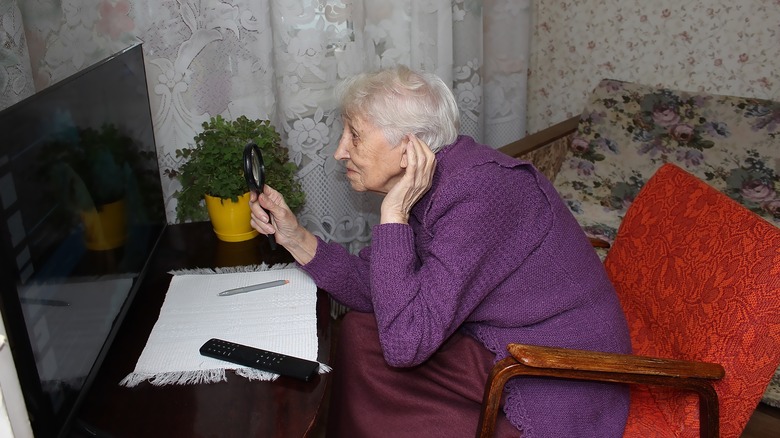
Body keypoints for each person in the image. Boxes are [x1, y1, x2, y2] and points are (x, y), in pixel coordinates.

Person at [249, 65, 631, 438]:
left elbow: (406, 343)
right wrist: (295, 236)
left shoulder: (480, 193)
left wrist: (393, 214)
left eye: (354, 135)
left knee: (377, 349)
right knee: (360, 331)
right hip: (501, 339)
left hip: (558, 371)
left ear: (409, 146)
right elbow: (375, 287)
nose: (339, 152)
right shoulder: (439, 182)